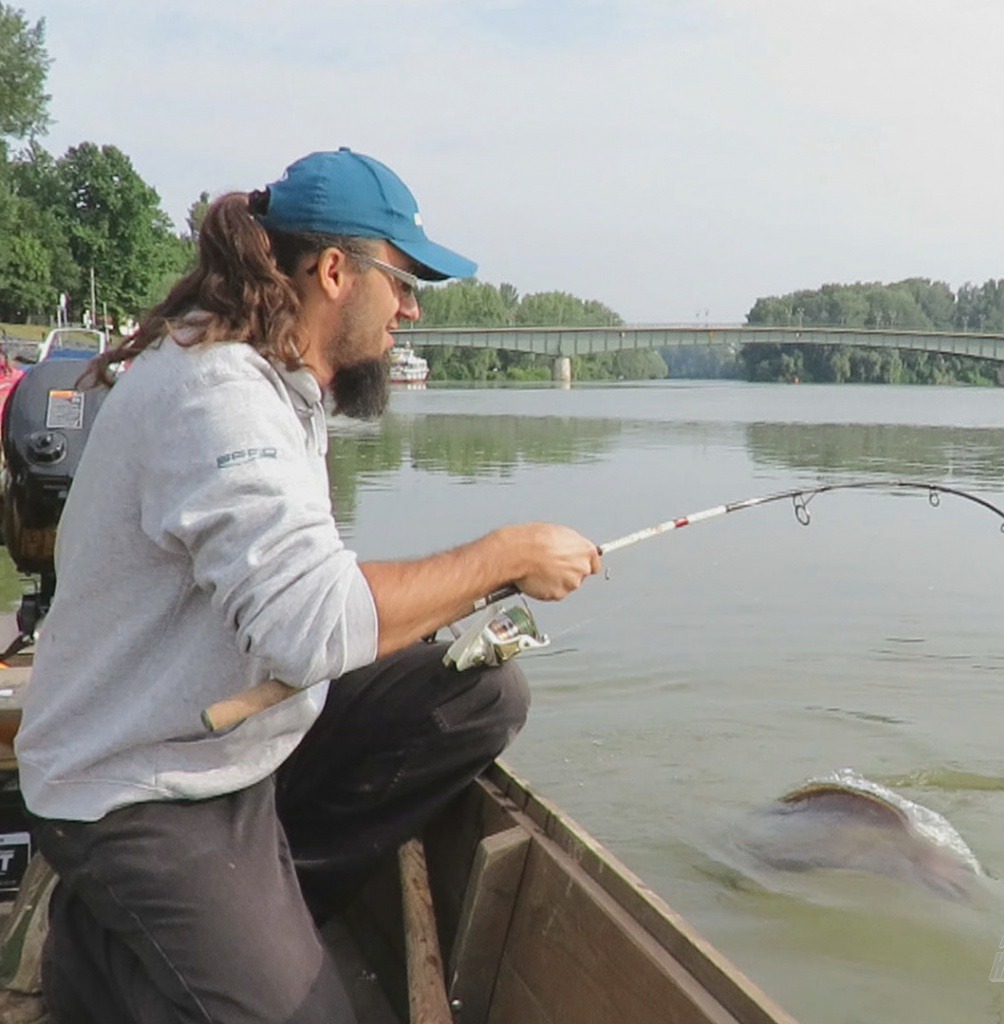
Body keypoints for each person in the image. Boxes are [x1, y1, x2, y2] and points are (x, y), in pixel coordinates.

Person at [14, 147, 601, 1023]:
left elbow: (309, 600)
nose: (410, 309)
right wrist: (506, 556)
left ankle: (224, 918)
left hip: (234, 746)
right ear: (335, 271)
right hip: (137, 785)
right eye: (404, 283)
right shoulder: (220, 396)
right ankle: (140, 939)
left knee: (475, 695)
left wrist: (479, 583)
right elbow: (308, 632)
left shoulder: (283, 384)